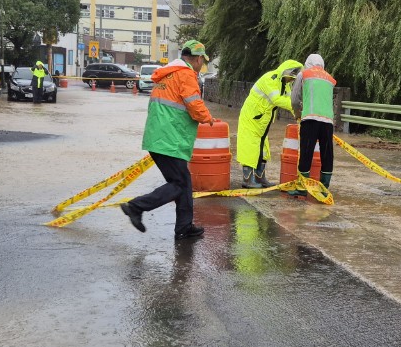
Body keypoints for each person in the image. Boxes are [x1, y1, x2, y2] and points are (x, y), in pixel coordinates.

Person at [120, 40, 216, 240]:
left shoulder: (168, 73)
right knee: (179, 184)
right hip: (170, 139)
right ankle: (136, 207)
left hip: (160, 137)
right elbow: (195, 105)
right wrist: (208, 118)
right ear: (198, 59)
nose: (202, 65)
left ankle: (184, 227)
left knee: (183, 182)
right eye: (202, 61)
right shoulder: (186, 75)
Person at [237, 59, 301, 188]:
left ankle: (260, 178)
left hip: (262, 121)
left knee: (263, 149)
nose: (291, 81)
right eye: (291, 77)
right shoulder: (269, 79)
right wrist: (299, 107)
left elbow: (290, 102)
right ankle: (247, 180)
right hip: (251, 118)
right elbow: (277, 100)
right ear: (285, 73)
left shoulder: (285, 84)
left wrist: (299, 116)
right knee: (250, 147)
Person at [288, 53, 336, 197]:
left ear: (308, 63)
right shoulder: (330, 79)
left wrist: (297, 114)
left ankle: (302, 188)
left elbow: (295, 99)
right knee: (327, 154)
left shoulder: (304, 74)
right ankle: (324, 189)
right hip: (328, 122)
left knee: (306, 153)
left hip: (310, 119)